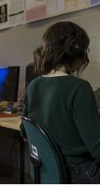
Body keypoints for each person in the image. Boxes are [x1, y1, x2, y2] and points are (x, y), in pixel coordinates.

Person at [21, 21, 100, 184]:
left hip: (46, 171)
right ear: (76, 49)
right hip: (78, 172)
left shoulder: (33, 85)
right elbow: (97, 148)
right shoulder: (79, 88)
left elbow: (24, 131)